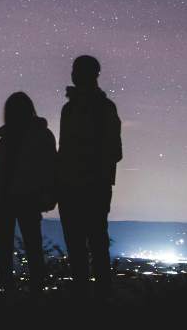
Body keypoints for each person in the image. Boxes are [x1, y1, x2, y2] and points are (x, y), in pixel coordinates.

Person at [0, 91, 57, 294]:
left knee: (25, 248)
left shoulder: (27, 136)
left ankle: (27, 292)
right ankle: (23, 292)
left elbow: (50, 169)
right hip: (15, 199)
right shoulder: (28, 136)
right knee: (24, 248)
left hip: (24, 198)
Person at [57, 54, 121, 298]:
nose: (73, 74)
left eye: (77, 70)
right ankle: (88, 298)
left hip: (90, 186)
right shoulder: (71, 108)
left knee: (92, 243)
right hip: (79, 186)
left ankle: (95, 299)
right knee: (85, 244)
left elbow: (113, 150)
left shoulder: (101, 108)